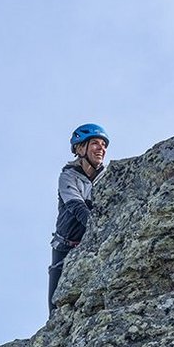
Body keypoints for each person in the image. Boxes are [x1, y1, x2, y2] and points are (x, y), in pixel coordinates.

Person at [50, 124, 108, 310]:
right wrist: (99, 229)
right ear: (80, 148)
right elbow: (77, 207)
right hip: (64, 247)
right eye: (95, 143)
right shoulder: (68, 177)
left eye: (103, 144)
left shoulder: (109, 177)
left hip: (91, 245)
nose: (101, 148)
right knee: (56, 308)